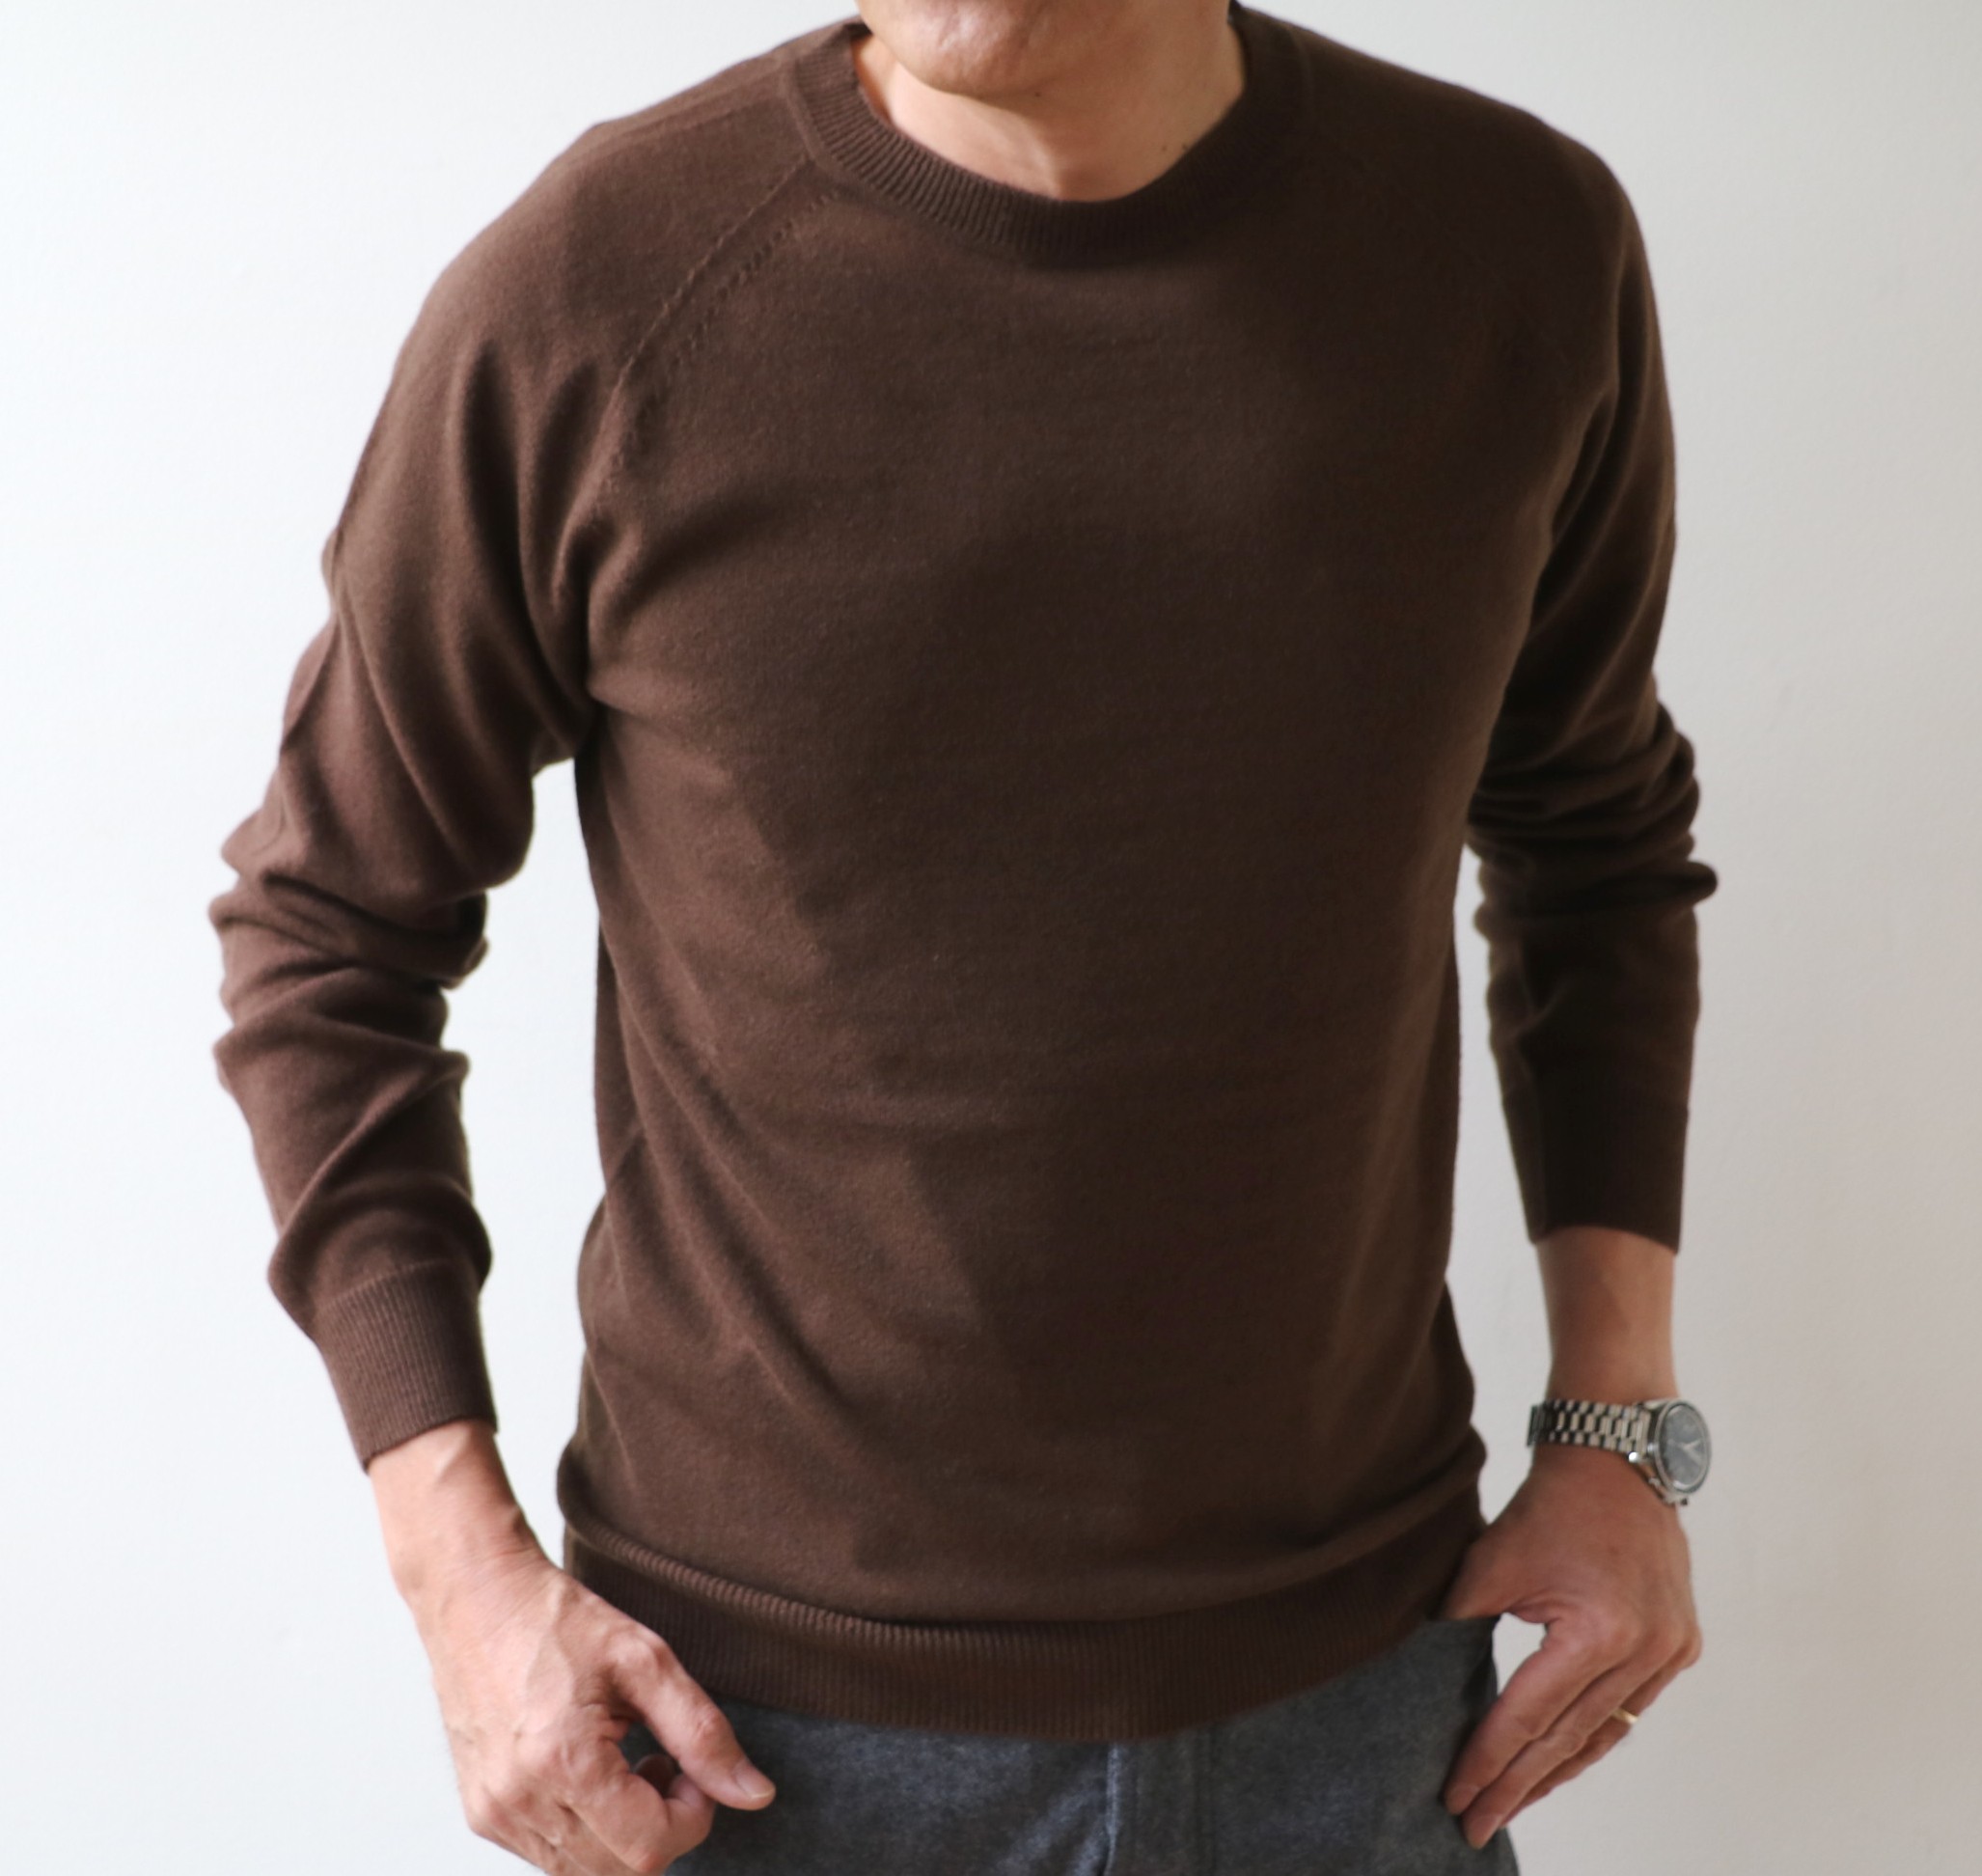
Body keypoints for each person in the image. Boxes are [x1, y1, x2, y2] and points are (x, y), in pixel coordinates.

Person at [206, 1, 1718, 1869]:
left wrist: (1618, 1428)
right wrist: (460, 1579)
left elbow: (1593, 844)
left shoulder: (1509, 250)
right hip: (749, 1747)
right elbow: (327, 932)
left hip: (1363, 1715)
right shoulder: (601, 291)